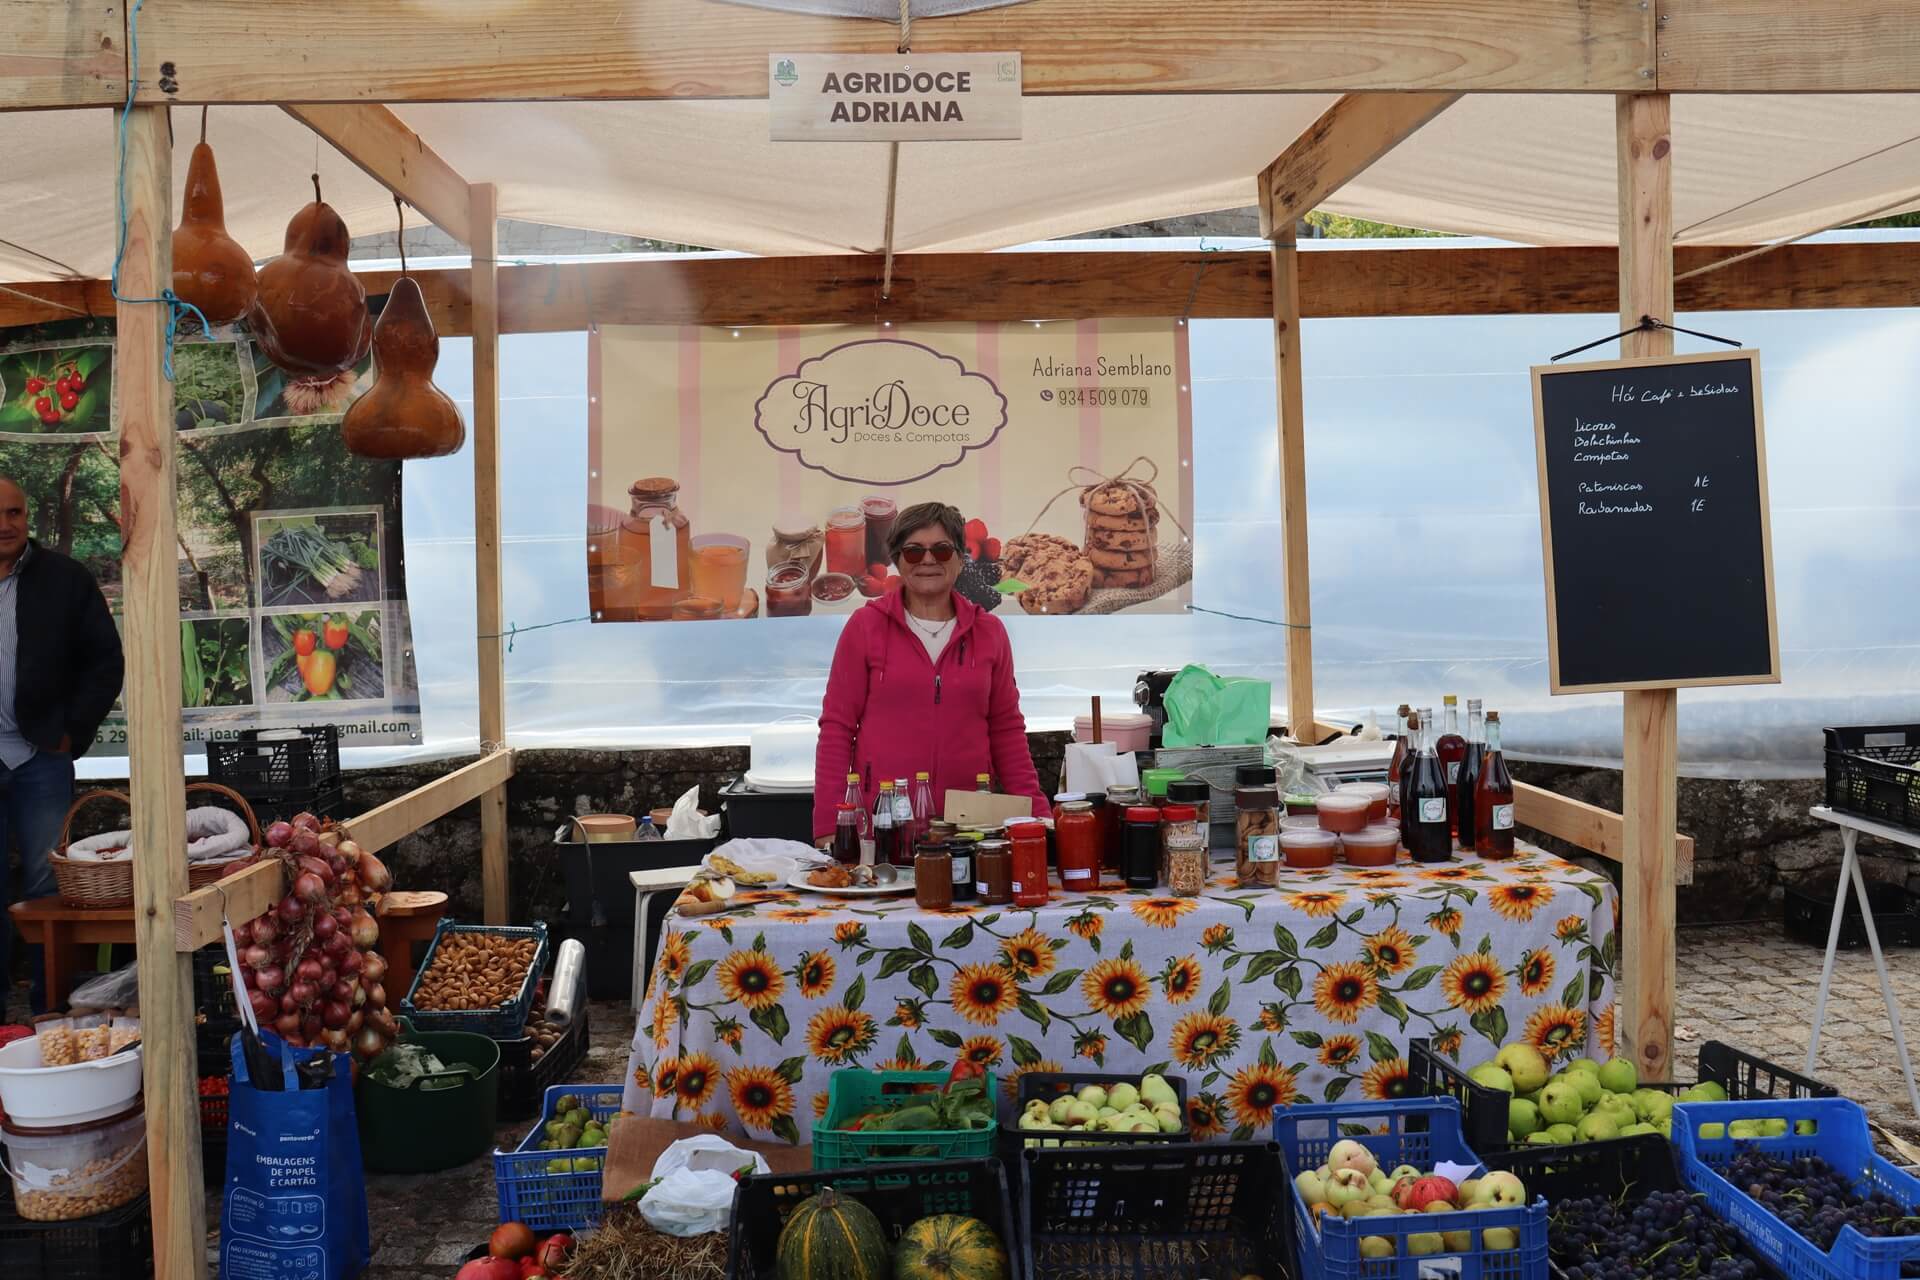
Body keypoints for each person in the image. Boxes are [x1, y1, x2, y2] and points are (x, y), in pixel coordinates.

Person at [813, 501, 1050, 840]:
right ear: (898, 560)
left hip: (968, 827)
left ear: (960, 559)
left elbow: (1007, 731)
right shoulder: (865, 626)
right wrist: (829, 825)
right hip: (883, 825)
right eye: (913, 552)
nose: (927, 560)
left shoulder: (989, 632)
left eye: (941, 550)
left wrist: (1038, 817)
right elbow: (837, 728)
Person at [0, 476, 124, 1011]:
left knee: (45, 881)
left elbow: (105, 661)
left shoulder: (64, 579)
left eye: (14, 512)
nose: (5, 524)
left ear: (27, 516)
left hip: (39, 756)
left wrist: (73, 729)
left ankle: (50, 1008)